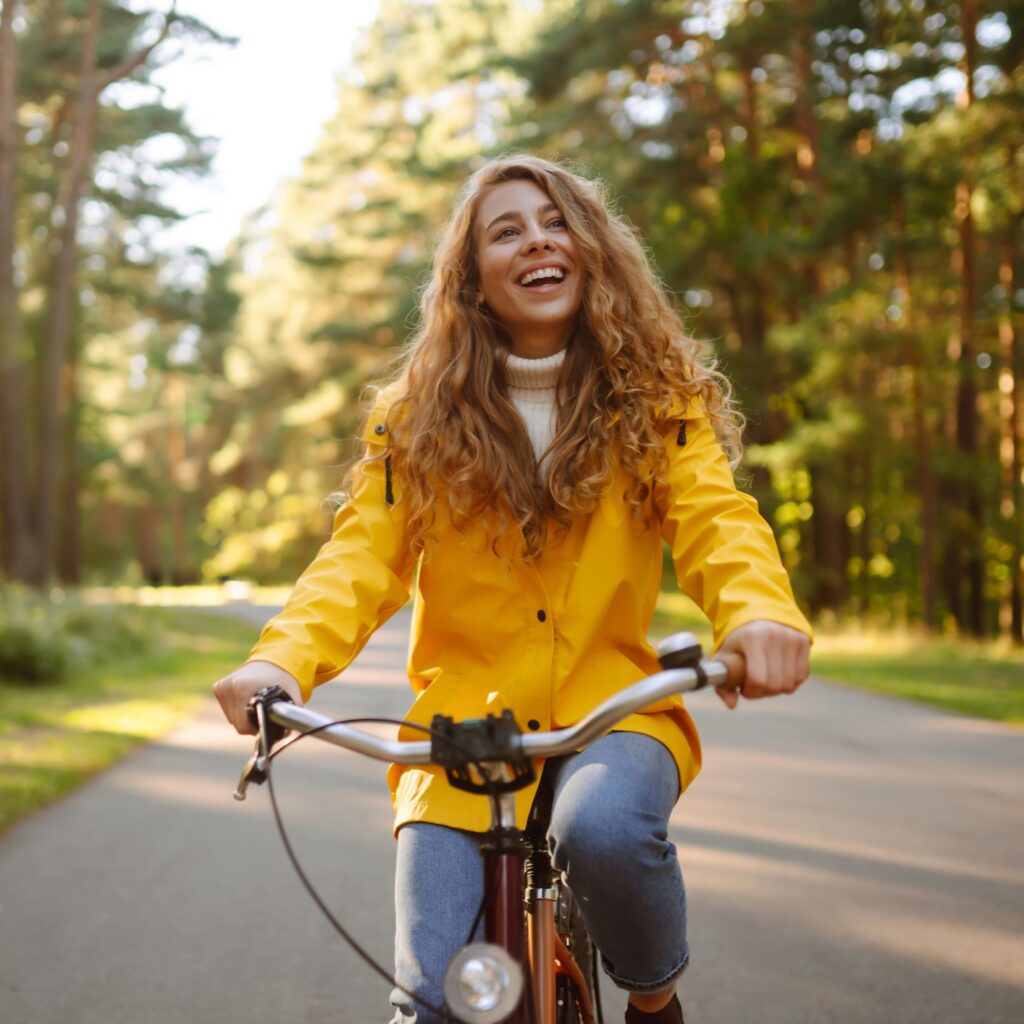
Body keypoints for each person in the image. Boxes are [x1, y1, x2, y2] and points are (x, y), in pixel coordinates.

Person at [213, 154, 812, 1024]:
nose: (537, 239)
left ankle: (654, 1002)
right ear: (474, 281)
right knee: (426, 1003)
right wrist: (282, 662)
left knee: (604, 831)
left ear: (590, 249)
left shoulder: (658, 401)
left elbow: (718, 521)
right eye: (507, 230)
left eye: (556, 221)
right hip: (461, 733)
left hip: (613, 710)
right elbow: (359, 560)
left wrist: (759, 615)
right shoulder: (416, 418)